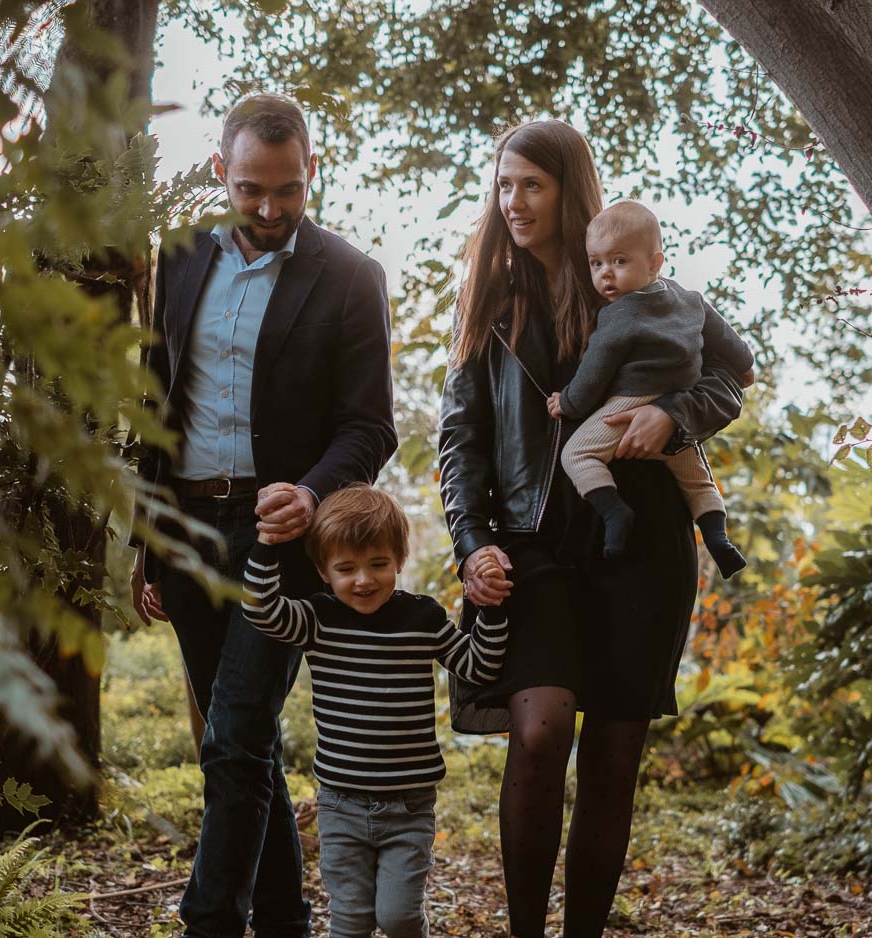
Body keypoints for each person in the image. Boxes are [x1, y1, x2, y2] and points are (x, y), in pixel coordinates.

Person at [438, 120, 753, 937]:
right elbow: (461, 436)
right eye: (503, 184)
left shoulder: (644, 288)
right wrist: (473, 544)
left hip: (640, 540)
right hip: (532, 545)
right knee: (540, 733)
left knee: (614, 757)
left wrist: (675, 415)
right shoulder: (491, 302)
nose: (513, 201)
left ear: (570, 191)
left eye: (531, 185)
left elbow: (733, 373)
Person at [131, 94, 397, 938]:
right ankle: (286, 921)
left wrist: (311, 494)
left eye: (287, 190)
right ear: (221, 173)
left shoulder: (352, 276)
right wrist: (147, 543)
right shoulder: (173, 261)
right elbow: (156, 403)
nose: (271, 209)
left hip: (281, 537)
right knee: (241, 746)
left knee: (236, 729)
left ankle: (208, 922)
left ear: (311, 168)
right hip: (185, 528)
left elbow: (370, 425)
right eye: (251, 190)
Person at [241, 482, 508, 937]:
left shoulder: (422, 618)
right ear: (323, 571)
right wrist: (267, 543)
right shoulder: (317, 618)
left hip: (409, 804)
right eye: (346, 568)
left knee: (399, 917)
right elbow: (260, 608)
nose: (363, 580)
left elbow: (477, 665)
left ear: (399, 561)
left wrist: (491, 609)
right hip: (341, 803)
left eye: (378, 564)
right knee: (351, 921)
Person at [545, 200, 753, 576]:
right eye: (597, 263)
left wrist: (569, 403)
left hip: (631, 402)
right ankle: (719, 541)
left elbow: (594, 373)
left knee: (576, 455)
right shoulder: (690, 301)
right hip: (678, 403)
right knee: (695, 478)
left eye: (619, 261)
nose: (606, 275)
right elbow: (733, 347)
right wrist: (745, 368)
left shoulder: (618, 315)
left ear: (654, 263)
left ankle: (614, 512)